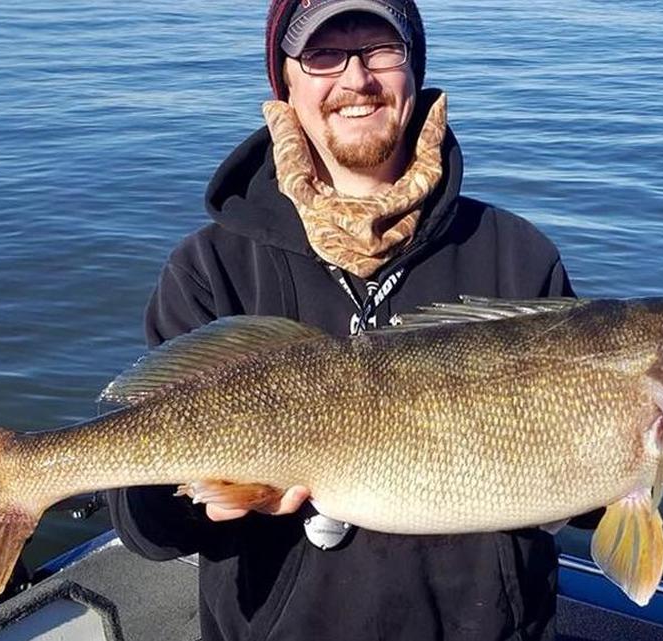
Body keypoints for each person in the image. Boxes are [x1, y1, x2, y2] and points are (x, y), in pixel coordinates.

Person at [106, 1, 575, 639]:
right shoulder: (210, 267)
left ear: (415, 69)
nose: (356, 80)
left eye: (382, 49)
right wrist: (206, 498)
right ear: (286, 80)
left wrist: (655, 446)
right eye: (324, 55)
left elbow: (591, 509)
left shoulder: (517, 257)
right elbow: (146, 531)